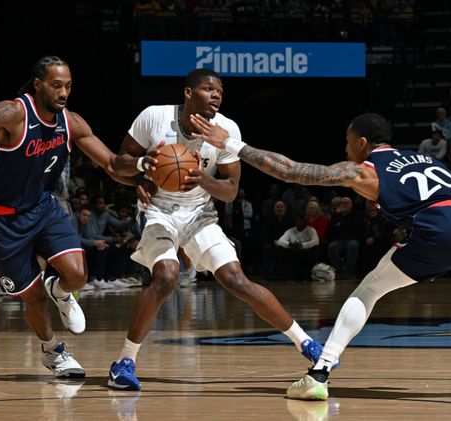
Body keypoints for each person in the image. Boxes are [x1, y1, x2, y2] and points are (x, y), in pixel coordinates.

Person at [190, 111, 451, 401]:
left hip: (443, 226)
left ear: (362, 143)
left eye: (347, 143)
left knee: (369, 289)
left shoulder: (366, 171)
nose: (346, 149)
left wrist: (233, 145)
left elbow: (294, 172)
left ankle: (319, 374)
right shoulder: (427, 160)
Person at [0, 55, 150, 378]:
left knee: (77, 275)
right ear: (38, 85)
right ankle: (52, 351)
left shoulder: (72, 123)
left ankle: (60, 291)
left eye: (68, 86)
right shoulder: (13, 114)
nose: (63, 93)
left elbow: (110, 164)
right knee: (33, 297)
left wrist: (141, 177)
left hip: (42, 208)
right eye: (56, 85)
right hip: (1, 220)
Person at [107, 68, 328, 390]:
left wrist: (203, 179)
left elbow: (230, 191)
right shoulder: (154, 117)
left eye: (220, 92)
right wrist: (142, 169)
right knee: (166, 276)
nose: (216, 96)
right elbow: (119, 163)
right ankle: (124, 362)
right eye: (209, 89)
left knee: (236, 279)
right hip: (158, 211)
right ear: (188, 93)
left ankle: (307, 344)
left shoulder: (226, 129)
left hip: (200, 214)